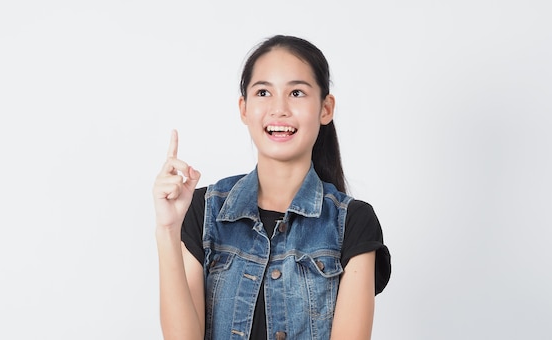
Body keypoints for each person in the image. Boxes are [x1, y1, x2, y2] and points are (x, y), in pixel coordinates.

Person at [152, 35, 391, 340]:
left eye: (297, 92)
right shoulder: (204, 210)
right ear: (244, 108)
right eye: (263, 92)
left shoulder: (352, 223)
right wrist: (167, 231)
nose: (279, 109)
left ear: (325, 108)